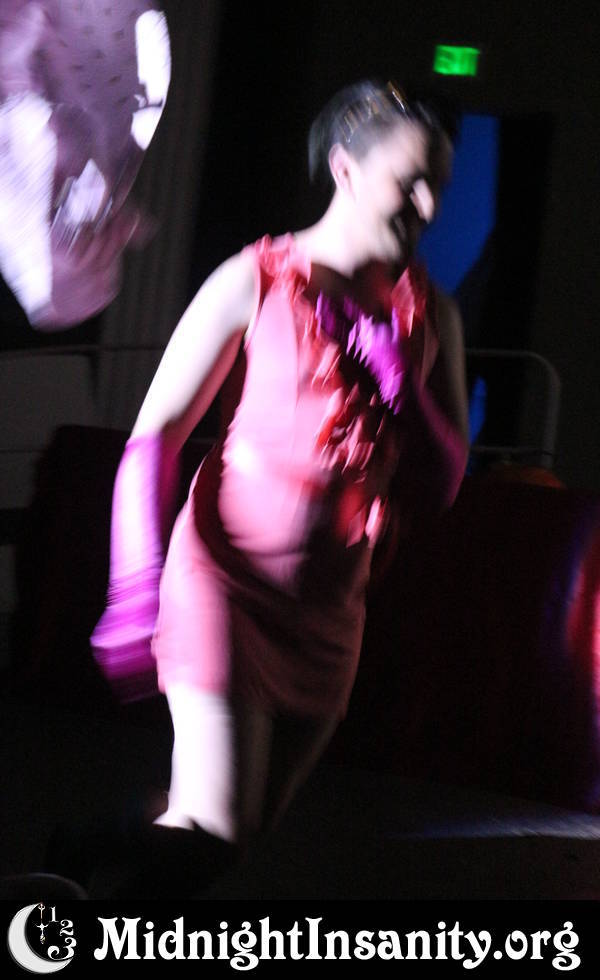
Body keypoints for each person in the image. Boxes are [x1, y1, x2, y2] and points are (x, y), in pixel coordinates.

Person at [90, 79, 469, 897]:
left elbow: (443, 484)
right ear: (346, 170)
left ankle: (95, 847)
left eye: (440, 184)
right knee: (218, 828)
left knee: (228, 838)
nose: (431, 206)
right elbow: (153, 440)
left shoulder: (431, 315)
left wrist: (402, 388)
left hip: (328, 610)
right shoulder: (255, 279)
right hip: (225, 585)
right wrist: (134, 587)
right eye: (412, 182)